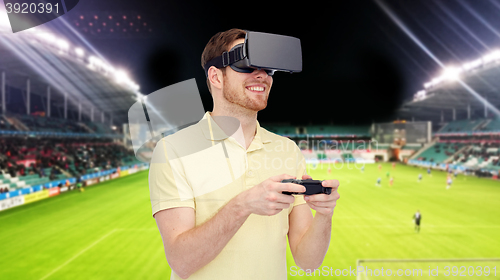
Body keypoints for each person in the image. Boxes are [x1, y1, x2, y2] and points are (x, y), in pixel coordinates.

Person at [149, 28, 340, 280]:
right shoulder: (172, 150)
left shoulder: (287, 150)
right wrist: (244, 205)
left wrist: (324, 216)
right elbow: (182, 262)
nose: (261, 75)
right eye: (245, 64)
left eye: (268, 69)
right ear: (216, 77)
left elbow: (308, 262)